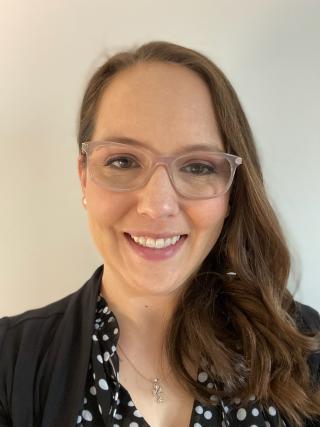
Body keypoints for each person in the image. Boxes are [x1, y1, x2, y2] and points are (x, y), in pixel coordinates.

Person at [0, 41, 319, 427]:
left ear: (232, 190)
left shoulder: (304, 346)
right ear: (83, 175)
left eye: (198, 167)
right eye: (122, 161)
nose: (158, 205)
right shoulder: (10, 361)